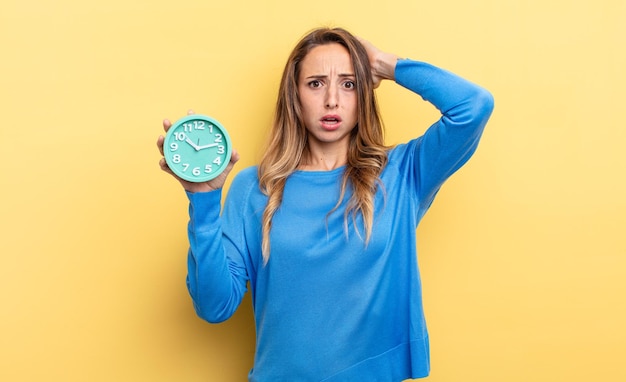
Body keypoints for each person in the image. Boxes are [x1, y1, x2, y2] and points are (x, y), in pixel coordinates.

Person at [157, 27, 494, 381]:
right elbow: (214, 306)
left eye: (348, 84)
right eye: (316, 83)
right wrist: (204, 201)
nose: (332, 99)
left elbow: (473, 106)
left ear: (364, 94)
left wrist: (384, 64)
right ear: (295, 96)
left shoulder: (401, 173)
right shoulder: (255, 188)